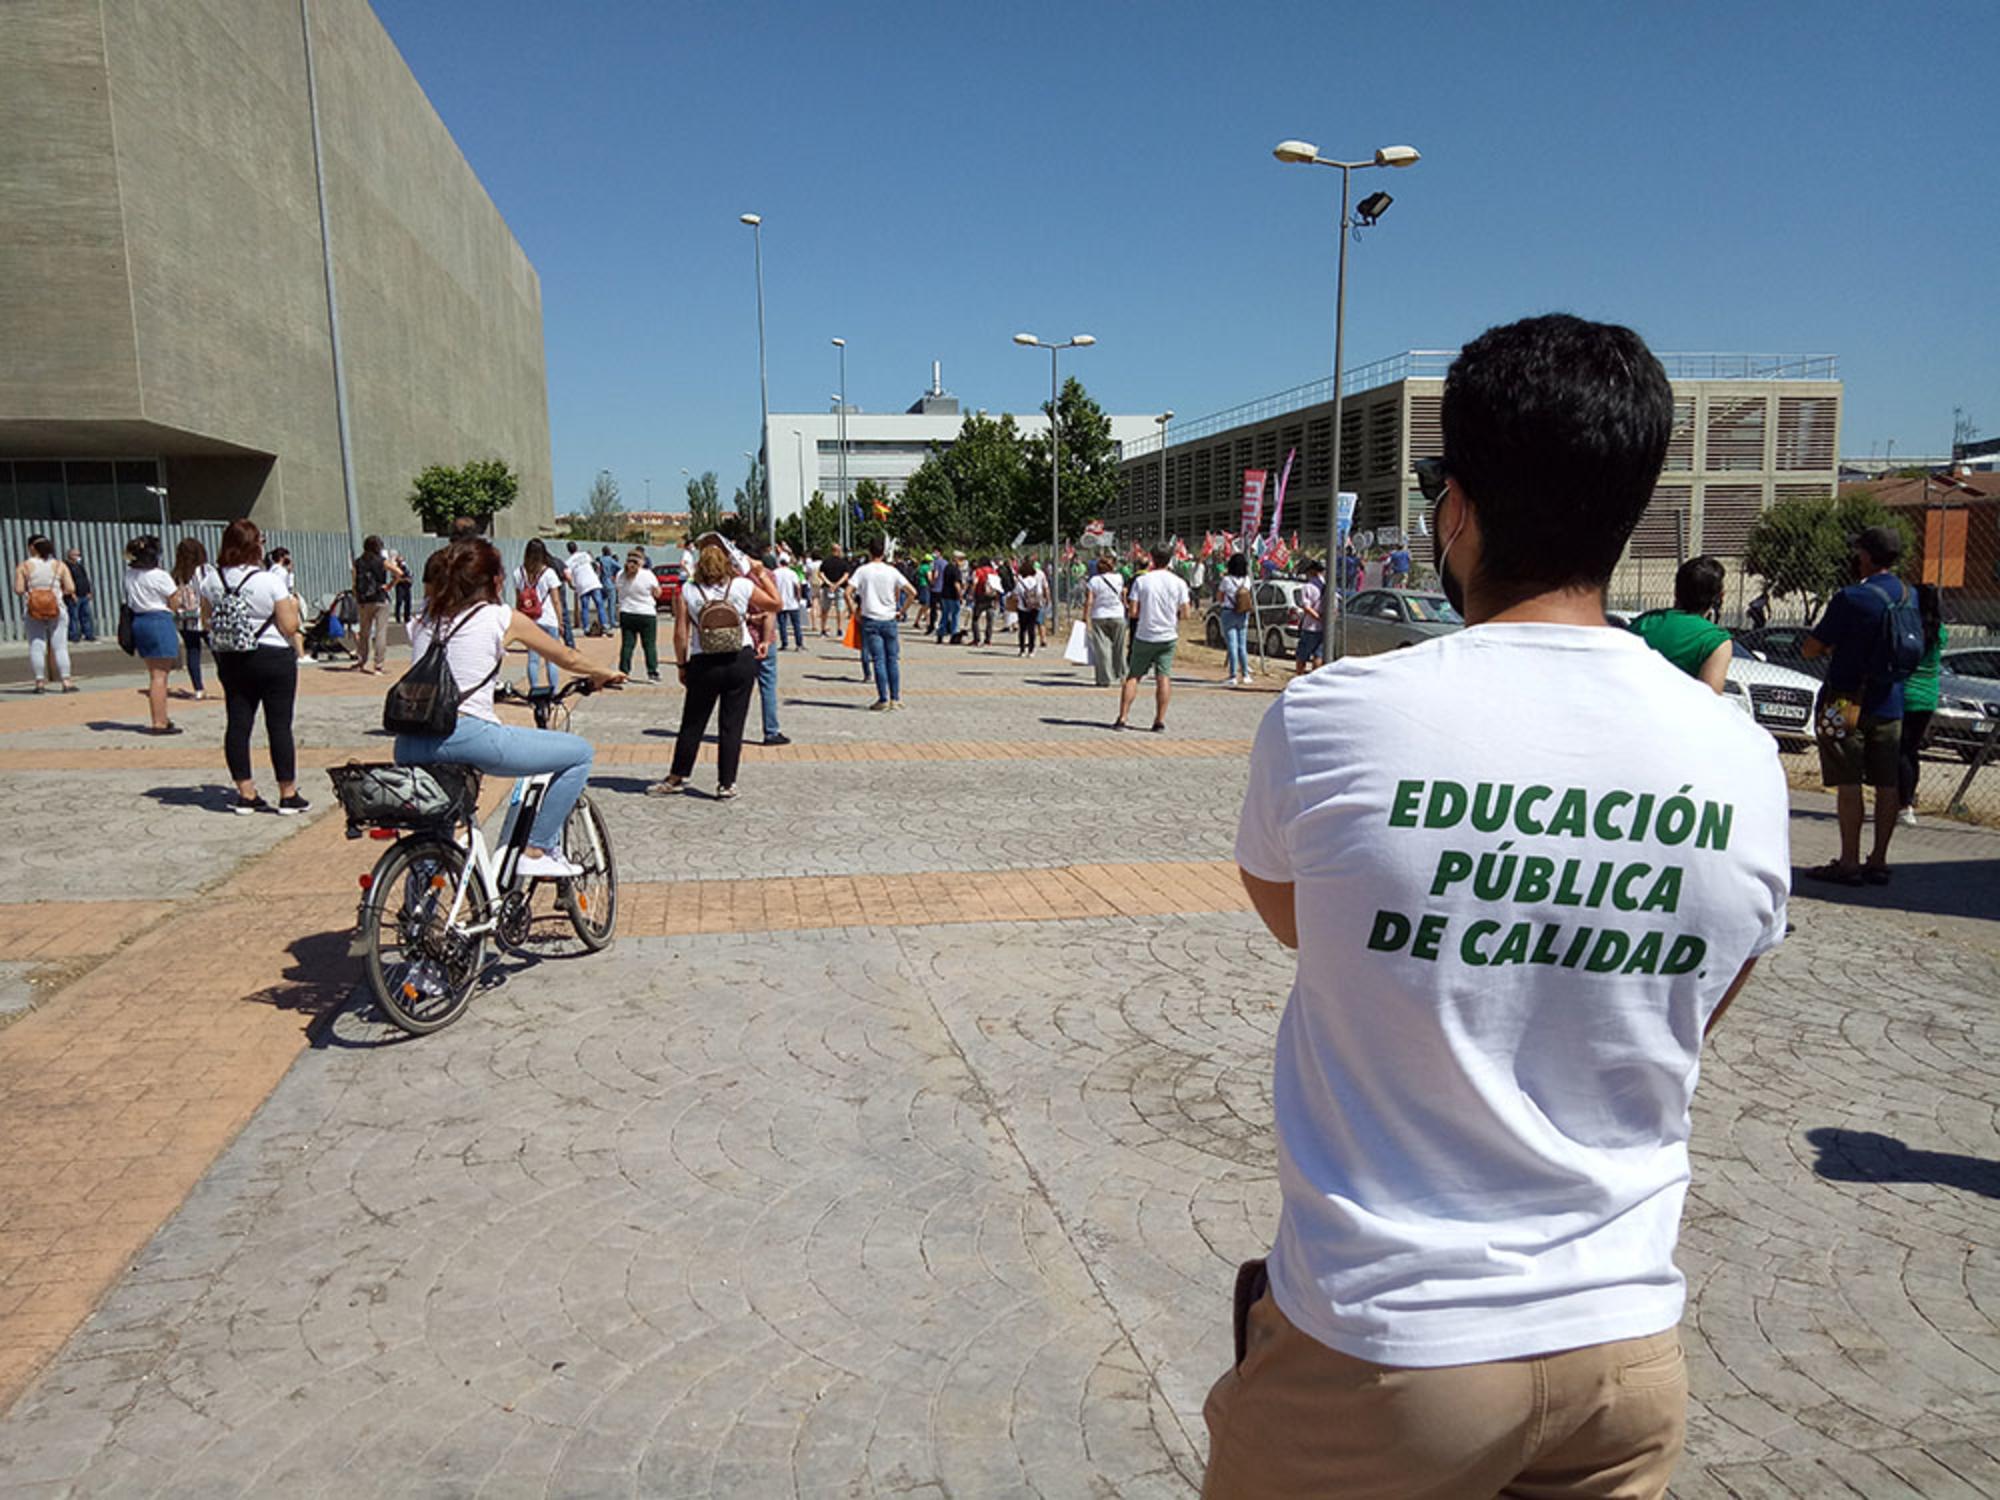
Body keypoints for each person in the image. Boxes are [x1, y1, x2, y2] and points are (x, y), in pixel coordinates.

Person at [1202, 314, 1790, 1500]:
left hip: (1385, 1353)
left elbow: (1298, 926)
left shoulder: (1335, 717)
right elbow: (1696, 998)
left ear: (1453, 511)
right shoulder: (1737, 760)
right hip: (1622, 1356)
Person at [396, 538, 622, 877]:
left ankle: (422, 918)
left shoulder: (425, 617)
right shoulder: (501, 617)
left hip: (409, 742)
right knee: (579, 754)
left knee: (435, 837)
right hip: (467, 736)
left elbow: (453, 666)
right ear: (494, 581)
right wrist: (604, 673)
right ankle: (537, 848)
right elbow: (567, 657)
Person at [1800, 524, 1918, 886]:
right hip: (1890, 701)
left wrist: (1833, 647)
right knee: (1886, 783)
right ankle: (1878, 859)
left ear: (1866, 555)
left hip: (1842, 699)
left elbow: (1812, 648)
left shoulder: (1851, 597)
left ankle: (1848, 861)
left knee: (1847, 780)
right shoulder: (1908, 595)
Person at [649, 542, 781, 800]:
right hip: (739, 659)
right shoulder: (742, 585)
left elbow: (680, 634)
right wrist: (761, 573)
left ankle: (677, 775)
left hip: (704, 661)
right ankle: (726, 783)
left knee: (693, 722)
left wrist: (681, 664)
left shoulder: (687, 591)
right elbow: (776, 604)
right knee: (732, 724)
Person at [200, 519, 308, 815]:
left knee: (238, 723)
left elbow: (207, 620)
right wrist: (293, 608)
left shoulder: (211, 580)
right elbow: (289, 626)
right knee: (278, 725)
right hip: (272, 655)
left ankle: (246, 793)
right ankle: (288, 793)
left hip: (232, 657)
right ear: (255, 545)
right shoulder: (269, 580)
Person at [1628, 555, 1733, 693]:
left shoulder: (1643, 623)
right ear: (1720, 596)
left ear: (1676, 591)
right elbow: (1709, 700)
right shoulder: (1715, 640)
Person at [1114, 545, 1190, 732]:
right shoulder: (1179, 582)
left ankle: (1123, 717)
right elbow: (1186, 613)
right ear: (1171, 558)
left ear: (1152, 559)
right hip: (1167, 635)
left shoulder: (1142, 581)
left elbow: (1133, 612)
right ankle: (1159, 720)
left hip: (1145, 634)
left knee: (1134, 676)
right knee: (1163, 677)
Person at [122, 535, 183, 733]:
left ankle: (162, 717)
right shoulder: (160, 575)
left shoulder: (130, 574)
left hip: (139, 620)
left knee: (154, 672)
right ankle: (159, 721)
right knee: (160, 676)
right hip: (158, 619)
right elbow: (174, 601)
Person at [1897, 582, 1945, 828]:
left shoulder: (1911, 626)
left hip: (1907, 693)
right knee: (1912, 750)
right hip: (1928, 696)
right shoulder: (1940, 630)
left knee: (1900, 750)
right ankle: (1908, 801)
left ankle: (1903, 804)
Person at [846, 536, 914, 710]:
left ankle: (883, 698)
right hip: (889, 619)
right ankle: (896, 698)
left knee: (878, 660)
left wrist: (854, 611)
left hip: (871, 619)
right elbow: (912, 592)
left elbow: (848, 592)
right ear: (884, 552)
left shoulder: (863, 571)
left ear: (869, 551)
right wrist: (902, 611)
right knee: (892, 659)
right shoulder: (892, 571)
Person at [14, 535, 77, 693]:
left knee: (36, 645)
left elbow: (19, 589)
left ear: (31, 548)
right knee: (60, 646)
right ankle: (66, 681)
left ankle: (40, 682)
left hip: (33, 610)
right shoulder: (59, 565)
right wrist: (57, 592)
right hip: (57, 607)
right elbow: (70, 588)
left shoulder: (24, 566)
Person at [510, 539, 567, 694]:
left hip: (530, 622)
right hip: (548, 619)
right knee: (551, 659)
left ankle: (534, 690)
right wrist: (561, 622)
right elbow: (556, 600)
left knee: (533, 659)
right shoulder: (549, 573)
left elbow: (518, 600)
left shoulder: (518, 573)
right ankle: (553, 693)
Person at [171, 536, 218, 702]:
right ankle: (230, 684)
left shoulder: (177, 573)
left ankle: (198, 688)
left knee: (192, 652)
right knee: (218, 652)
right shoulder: (206, 570)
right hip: (204, 617)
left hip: (185, 619)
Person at [755, 551, 791, 747]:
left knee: (736, 692)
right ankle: (771, 731)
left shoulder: (733, 576)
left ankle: (731, 731)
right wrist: (767, 640)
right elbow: (771, 610)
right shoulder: (767, 576)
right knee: (767, 686)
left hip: (739, 639)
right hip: (762, 637)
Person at [614, 549, 661, 681]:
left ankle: (623, 672)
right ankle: (652, 672)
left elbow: (619, 590)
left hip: (627, 612)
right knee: (649, 645)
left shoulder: (620, 575)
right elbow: (657, 593)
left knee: (627, 645)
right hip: (646, 613)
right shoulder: (647, 575)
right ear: (641, 561)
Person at [351, 535, 392, 674]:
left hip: (364, 601)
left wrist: (358, 598)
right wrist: (389, 585)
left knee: (364, 632)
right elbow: (399, 573)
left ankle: (361, 661)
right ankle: (378, 665)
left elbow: (354, 583)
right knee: (381, 632)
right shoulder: (382, 561)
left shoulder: (358, 562)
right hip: (380, 599)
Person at [1085, 556, 1128, 687]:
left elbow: (1090, 600)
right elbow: (1123, 595)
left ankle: (1104, 678)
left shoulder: (1094, 581)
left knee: (1102, 649)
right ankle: (1122, 675)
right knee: (1119, 647)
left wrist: (1086, 617)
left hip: (1099, 615)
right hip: (1117, 614)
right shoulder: (1119, 578)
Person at [1219, 553, 1253, 686]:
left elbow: (1220, 596)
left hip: (1229, 612)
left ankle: (1233, 675)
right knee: (1242, 645)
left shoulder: (1226, 580)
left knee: (1232, 645)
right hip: (1243, 613)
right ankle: (1245, 674)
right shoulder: (1247, 580)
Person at [1292, 559, 1326, 674]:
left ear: (1311, 571)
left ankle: (1299, 679)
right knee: (1318, 656)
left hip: (1310, 627)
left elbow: (1306, 607)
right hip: (1324, 628)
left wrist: (1317, 617)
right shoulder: (1328, 587)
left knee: (1302, 656)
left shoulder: (1307, 587)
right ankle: (1315, 681)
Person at [565, 541, 605, 637]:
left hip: (582, 585)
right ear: (577, 547)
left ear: (568, 550)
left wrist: (571, 585)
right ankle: (604, 625)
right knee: (599, 605)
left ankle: (586, 628)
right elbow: (596, 565)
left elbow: (567, 574)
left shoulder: (568, 561)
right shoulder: (585, 555)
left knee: (585, 608)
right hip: (593, 582)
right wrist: (597, 575)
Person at [1013, 557, 1048, 657]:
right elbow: (1039, 593)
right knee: (1031, 628)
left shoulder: (1020, 582)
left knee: (1022, 629)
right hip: (1034, 607)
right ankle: (1031, 650)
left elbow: (1015, 594)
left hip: (1022, 607)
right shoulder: (1035, 582)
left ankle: (1022, 650)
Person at [817, 545, 852, 636]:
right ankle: (839, 629)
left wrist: (829, 583)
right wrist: (837, 584)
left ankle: (823, 629)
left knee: (825, 608)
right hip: (840, 588)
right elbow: (846, 575)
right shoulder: (843, 562)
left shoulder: (826, 561)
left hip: (827, 587)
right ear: (839, 551)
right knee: (840, 609)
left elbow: (820, 574)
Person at [63, 548, 96, 643]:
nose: (78, 557)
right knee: (74, 616)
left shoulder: (79, 566)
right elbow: (67, 581)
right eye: (76, 555)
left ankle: (88, 634)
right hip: (74, 596)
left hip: (84, 595)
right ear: (70, 556)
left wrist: (89, 591)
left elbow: (85, 579)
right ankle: (74, 635)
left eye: (78, 555)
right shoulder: (67, 567)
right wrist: (72, 594)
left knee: (86, 615)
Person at [387, 546, 412, 625]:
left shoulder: (406, 567)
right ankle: (398, 617)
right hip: (400, 586)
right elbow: (395, 578)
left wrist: (407, 579)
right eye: (399, 561)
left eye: (402, 560)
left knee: (408, 602)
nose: (401, 562)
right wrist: (403, 579)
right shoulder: (396, 568)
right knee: (399, 601)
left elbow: (410, 576)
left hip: (407, 586)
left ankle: (407, 617)